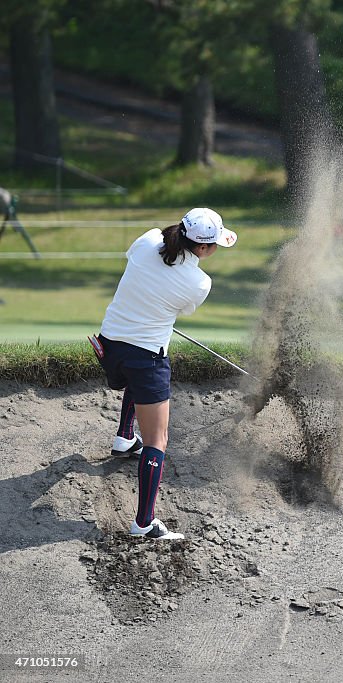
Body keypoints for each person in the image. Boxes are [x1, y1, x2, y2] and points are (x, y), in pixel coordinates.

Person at [93, 208, 236, 540]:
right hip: (144, 359)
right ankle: (144, 524)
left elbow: (137, 266)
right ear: (202, 248)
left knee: (136, 385)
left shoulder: (149, 238)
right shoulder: (199, 282)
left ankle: (125, 439)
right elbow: (181, 308)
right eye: (214, 244)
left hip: (109, 346)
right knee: (157, 441)